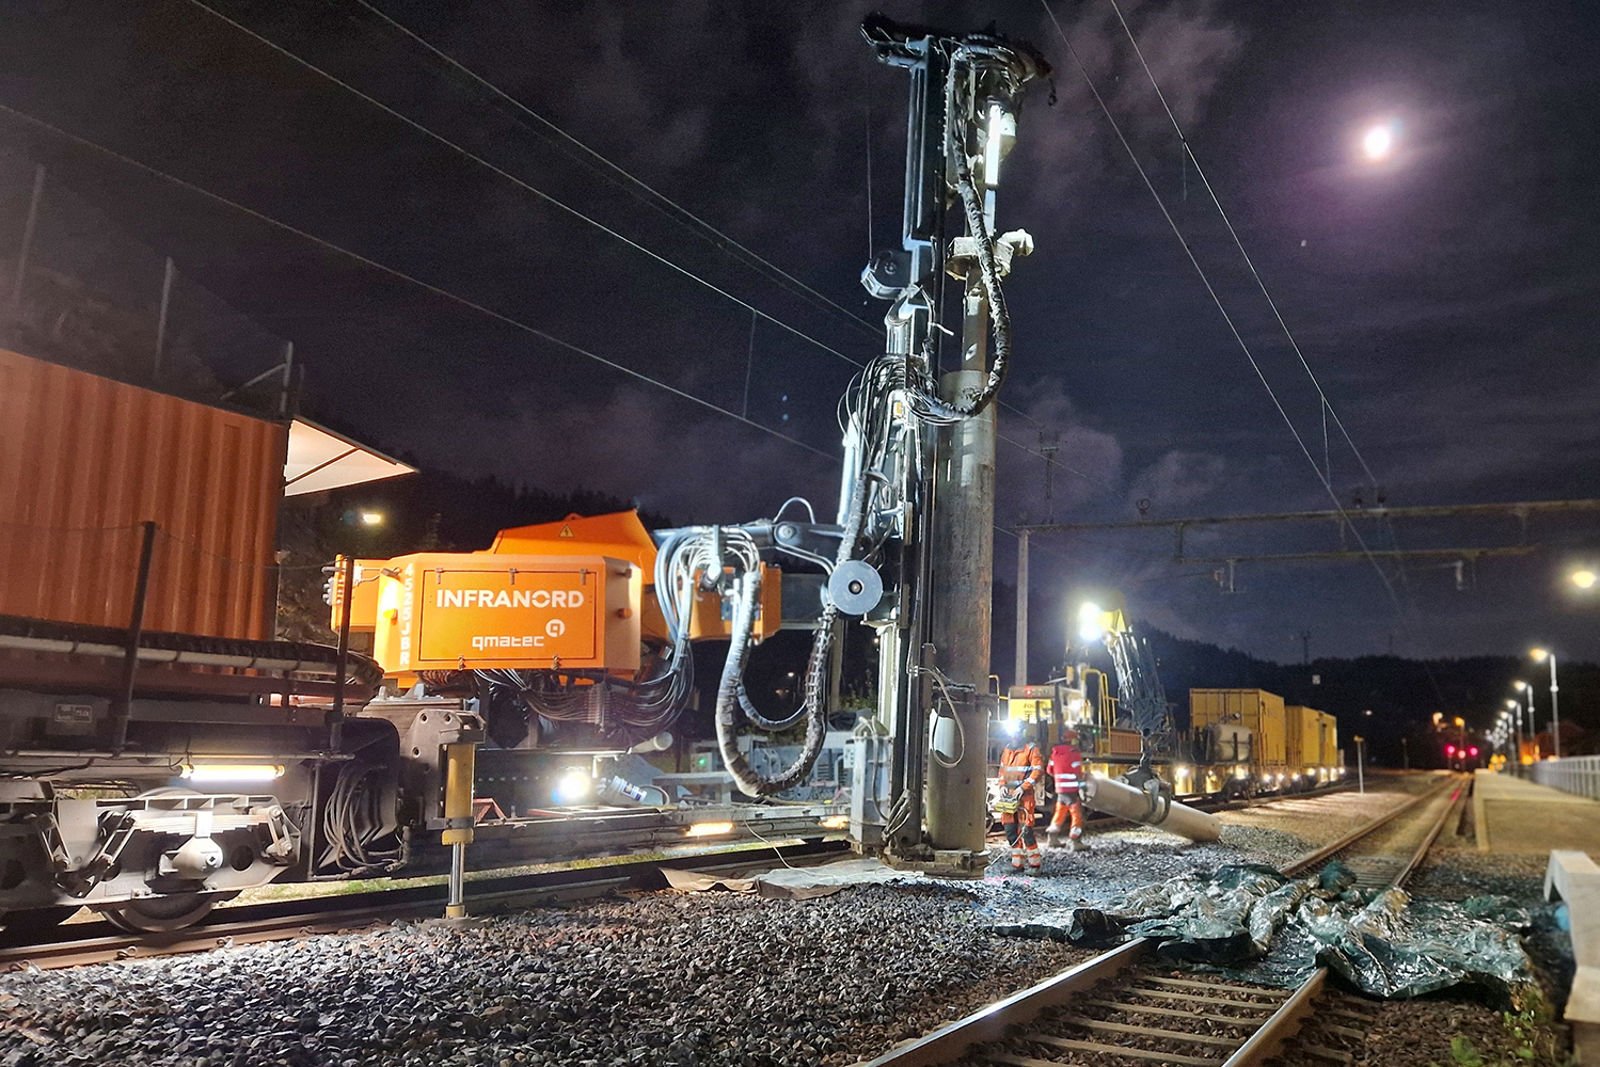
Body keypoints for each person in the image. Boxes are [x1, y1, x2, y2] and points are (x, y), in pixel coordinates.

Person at [996, 726, 1044, 873]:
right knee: (1010, 830)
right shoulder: (1007, 750)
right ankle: (1017, 864)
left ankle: (1035, 865)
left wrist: (1023, 787)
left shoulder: (1031, 749)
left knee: (1026, 830)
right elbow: (1003, 771)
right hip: (1009, 796)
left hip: (1025, 796)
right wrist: (1002, 785)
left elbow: (1037, 771)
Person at [1047, 726, 1086, 850]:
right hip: (1072, 790)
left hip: (1060, 789)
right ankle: (1076, 842)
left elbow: (1049, 770)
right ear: (1072, 740)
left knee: (1060, 813)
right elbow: (1078, 773)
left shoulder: (1055, 753)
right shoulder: (1074, 754)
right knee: (1077, 815)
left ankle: (1052, 839)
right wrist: (1083, 787)